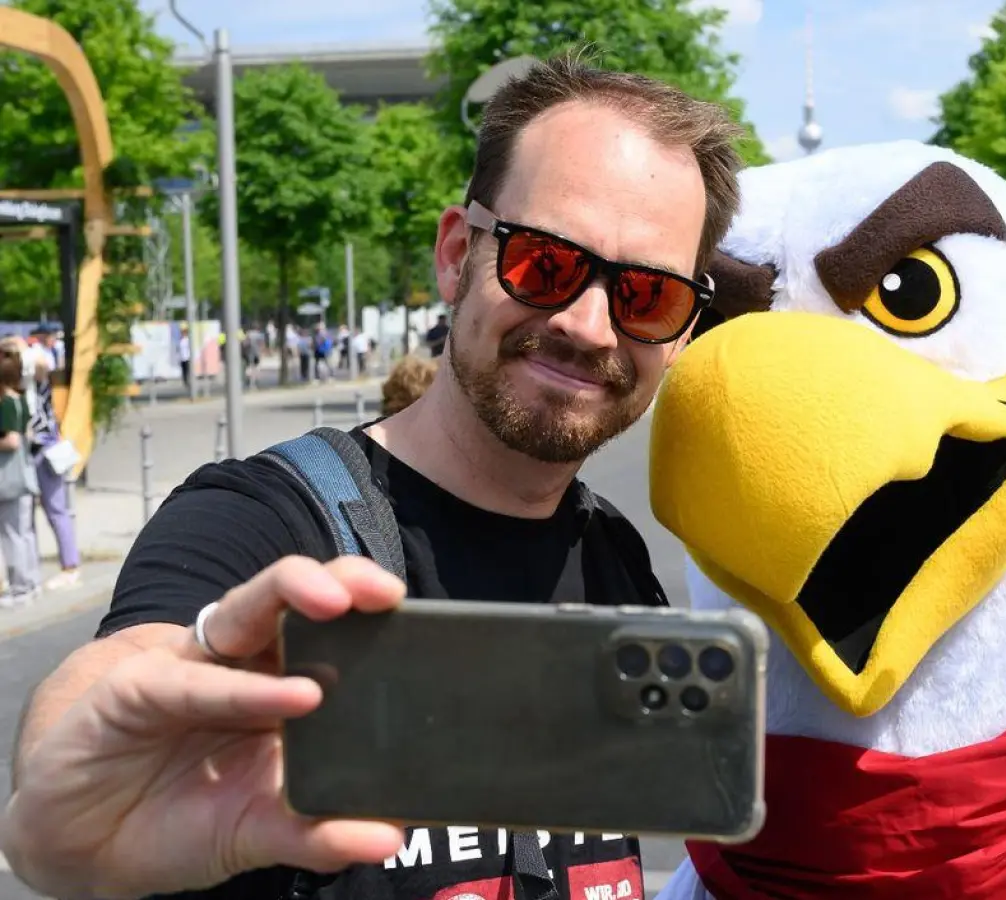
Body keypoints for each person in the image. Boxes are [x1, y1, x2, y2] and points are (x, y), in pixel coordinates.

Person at [0, 49, 741, 900]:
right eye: (545, 262)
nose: (589, 325)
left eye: (648, 296)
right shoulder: (268, 530)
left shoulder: (617, 562)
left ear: (682, 331)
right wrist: (74, 781)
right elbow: (138, 661)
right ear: (457, 253)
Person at [27, 356, 80, 590]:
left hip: (44, 451)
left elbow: (41, 365)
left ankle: (70, 567)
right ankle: (29, 572)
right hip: (26, 453)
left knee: (56, 510)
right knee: (24, 517)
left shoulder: (35, 381)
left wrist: (20, 351)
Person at [0, 350, 39, 606]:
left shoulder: (5, 404)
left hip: (9, 476)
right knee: (25, 533)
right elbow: (26, 435)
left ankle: (19, 588)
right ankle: (31, 584)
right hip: (25, 473)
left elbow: (11, 440)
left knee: (12, 534)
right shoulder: (22, 399)